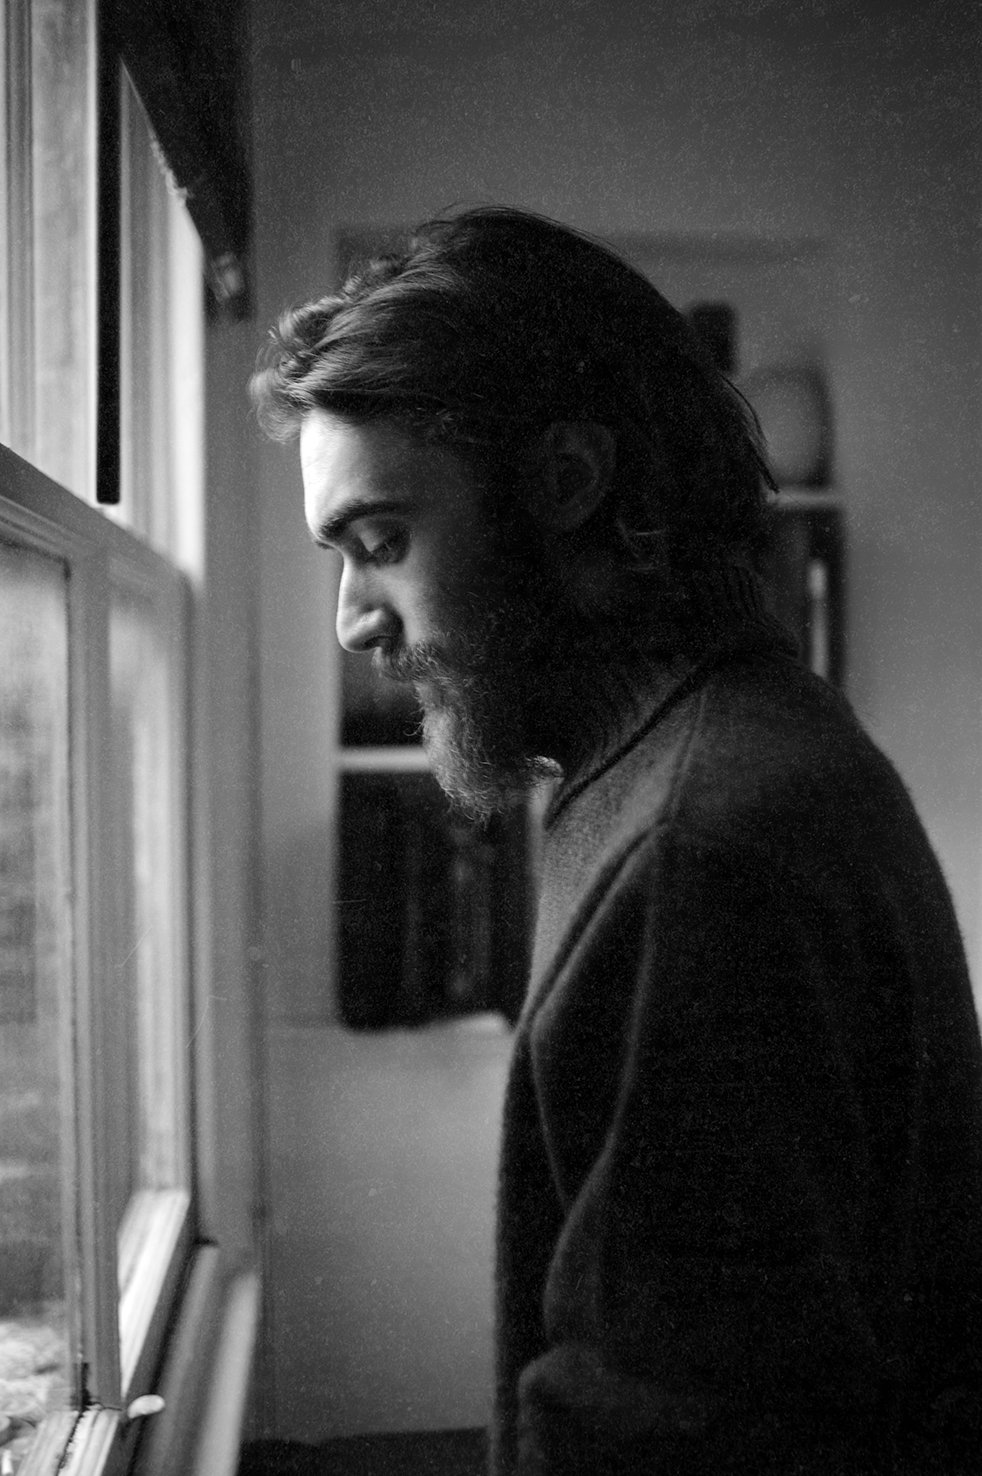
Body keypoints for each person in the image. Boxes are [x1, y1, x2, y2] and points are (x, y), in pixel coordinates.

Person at [251, 207, 982, 1474]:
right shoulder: (722, 743)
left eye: (383, 543)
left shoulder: (698, 846)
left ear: (568, 482)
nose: (353, 622)